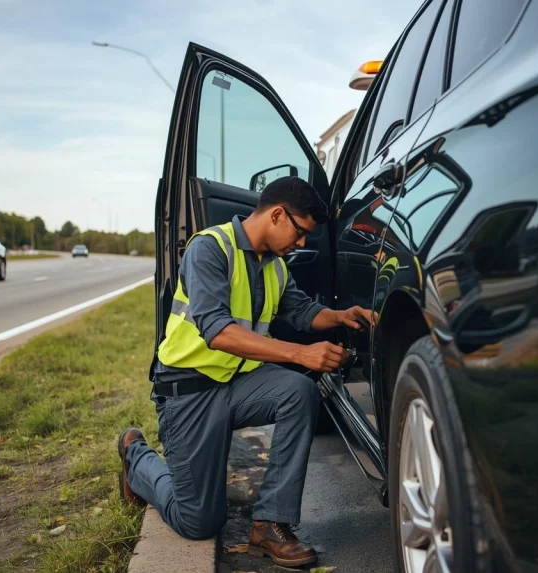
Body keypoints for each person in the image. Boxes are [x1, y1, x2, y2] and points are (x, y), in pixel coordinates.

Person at [116, 176, 374, 568]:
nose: (302, 243)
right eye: (301, 231)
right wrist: (301, 355)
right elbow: (217, 331)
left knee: (298, 392)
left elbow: (301, 311)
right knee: (198, 521)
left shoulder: (274, 266)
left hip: (237, 385)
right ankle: (136, 455)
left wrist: (340, 315)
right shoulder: (209, 249)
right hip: (188, 393)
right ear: (276, 214)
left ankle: (271, 523)